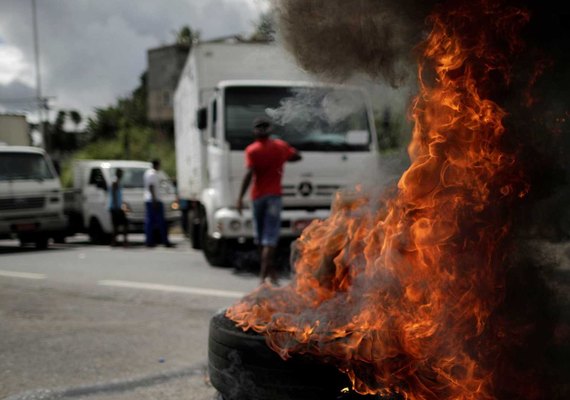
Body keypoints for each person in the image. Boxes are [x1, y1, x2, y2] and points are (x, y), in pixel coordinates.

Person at [236, 117, 302, 285]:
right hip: (274, 197)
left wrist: (239, 197)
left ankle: (264, 275)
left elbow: (249, 175)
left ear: (255, 132)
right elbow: (297, 156)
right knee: (270, 237)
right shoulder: (280, 146)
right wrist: (284, 157)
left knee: (261, 237)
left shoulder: (252, 150)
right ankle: (268, 272)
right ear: (270, 130)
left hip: (258, 197)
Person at [143, 159, 173, 248]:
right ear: (156, 165)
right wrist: (154, 200)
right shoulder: (152, 174)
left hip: (149, 199)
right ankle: (164, 241)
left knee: (150, 222)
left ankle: (150, 241)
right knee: (160, 222)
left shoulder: (148, 173)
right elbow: (151, 187)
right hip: (154, 200)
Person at [109, 168, 128, 247]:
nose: (122, 175)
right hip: (115, 207)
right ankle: (120, 242)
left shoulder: (118, 181)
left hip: (118, 206)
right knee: (120, 225)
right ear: (118, 173)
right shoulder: (115, 182)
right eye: (121, 173)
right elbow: (114, 196)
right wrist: (117, 207)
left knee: (118, 225)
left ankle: (115, 242)